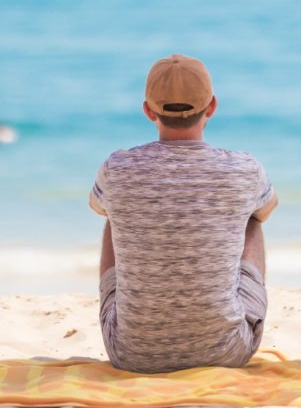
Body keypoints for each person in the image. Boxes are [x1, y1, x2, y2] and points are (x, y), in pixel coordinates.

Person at [89, 54, 278, 373]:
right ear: (213, 106)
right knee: (252, 218)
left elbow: (96, 207)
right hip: (227, 351)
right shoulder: (243, 169)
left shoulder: (117, 168)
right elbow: (268, 210)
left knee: (113, 214)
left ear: (148, 110)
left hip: (132, 353)